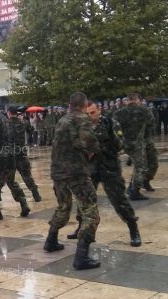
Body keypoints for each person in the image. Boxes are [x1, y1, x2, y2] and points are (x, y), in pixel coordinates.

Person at [69, 102, 141, 247]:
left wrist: (111, 135)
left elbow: (120, 145)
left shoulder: (110, 123)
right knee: (84, 201)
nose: (89, 116)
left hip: (109, 168)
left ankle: (134, 230)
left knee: (119, 200)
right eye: (87, 113)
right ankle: (82, 228)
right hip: (90, 168)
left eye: (92, 112)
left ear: (99, 111)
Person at [44, 91, 101, 270]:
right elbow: (90, 143)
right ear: (84, 105)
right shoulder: (81, 119)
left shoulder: (63, 120)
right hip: (76, 173)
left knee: (63, 206)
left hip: (58, 173)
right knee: (90, 211)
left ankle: (51, 240)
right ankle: (81, 256)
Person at [113, 93, 154, 200]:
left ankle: (131, 188)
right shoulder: (144, 111)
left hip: (124, 143)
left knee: (136, 165)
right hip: (138, 144)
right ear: (136, 100)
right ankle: (134, 191)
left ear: (128, 100)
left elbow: (114, 127)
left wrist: (121, 138)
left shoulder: (119, 112)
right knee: (141, 167)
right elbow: (151, 123)